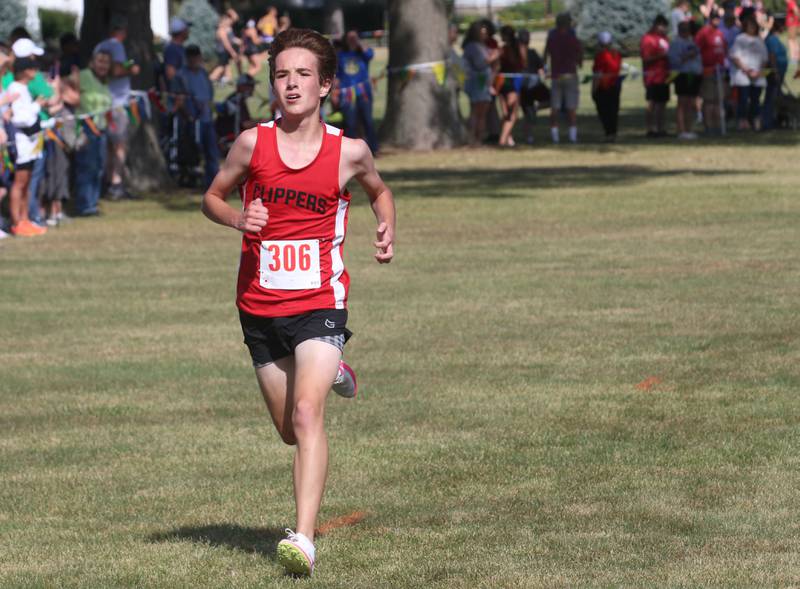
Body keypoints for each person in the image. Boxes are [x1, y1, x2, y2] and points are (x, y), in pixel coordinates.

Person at [201, 27, 395, 577]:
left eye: (303, 74)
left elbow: (380, 190)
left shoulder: (348, 152)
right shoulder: (250, 144)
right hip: (259, 304)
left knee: (309, 416)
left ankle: (303, 538)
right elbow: (211, 197)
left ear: (325, 84)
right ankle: (336, 369)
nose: (291, 84)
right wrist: (239, 217)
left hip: (320, 300)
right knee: (289, 429)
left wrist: (386, 227)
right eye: (282, 74)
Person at [94, 21, 141, 200]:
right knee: (119, 146)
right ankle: (116, 184)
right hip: (117, 102)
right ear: (122, 31)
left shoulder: (100, 46)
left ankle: (108, 182)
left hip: (103, 103)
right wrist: (132, 68)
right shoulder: (116, 46)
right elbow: (116, 69)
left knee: (109, 147)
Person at [6, 56, 46, 236]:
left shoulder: (24, 89)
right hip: (21, 141)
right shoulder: (15, 89)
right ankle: (16, 222)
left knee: (28, 181)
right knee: (19, 182)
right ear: (24, 71)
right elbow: (20, 118)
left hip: (31, 142)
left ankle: (25, 219)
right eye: (32, 69)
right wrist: (37, 107)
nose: (35, 73)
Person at [171, 44, 220, 188]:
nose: (194, 60)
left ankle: (213, 183)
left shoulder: (203, 74)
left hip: (207, 119)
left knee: (212, 152)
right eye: (191, 58)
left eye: (196, 57)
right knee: (193, 152)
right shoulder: (181, 76)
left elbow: (209, 94)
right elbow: (178, 99)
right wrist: (188, 116)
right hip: (190, 121)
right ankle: (191, 180)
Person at [74, 50, 112, 217]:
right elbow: (71, 91)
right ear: (92, 62)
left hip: (101, 130)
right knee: (87, 167)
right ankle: (84, 205)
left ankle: (92, 203)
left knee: (98, 167)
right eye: (100, 61)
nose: (103, 65)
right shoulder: (84, 75)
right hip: (86, 128)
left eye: (106, 62)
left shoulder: (104, 82)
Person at [335, 30, 378, 154]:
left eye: (355, 37)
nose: (352, 39)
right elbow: (337, 75)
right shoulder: (340, 55)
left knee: (368, 120)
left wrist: (359, 44)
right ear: (345, 39)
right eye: (350, 37)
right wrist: (335, 92)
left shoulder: (363, 54)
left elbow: (370, 55)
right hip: (346, 92)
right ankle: (351, 151)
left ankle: (373, 149)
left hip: (363, 91)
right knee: (350, 122)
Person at [544, 12, 583, 144]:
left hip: (556, 75)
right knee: (571, 108)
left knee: (554, 108)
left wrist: (545, 68)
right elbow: (579, 53)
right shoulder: (572, 37)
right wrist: (579, 62)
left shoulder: (552, 37)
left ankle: (555, 136)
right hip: (570, 74)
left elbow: (546, 53)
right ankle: (573, 136)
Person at [730, 10, 768, 130]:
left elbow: (764, 58)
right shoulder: (740, 39)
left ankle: (755, 122)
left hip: (757, 75)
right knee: (743, 99)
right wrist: (746, 70)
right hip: (743, 75)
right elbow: (735, 57)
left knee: (755, 100)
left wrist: (757, 72)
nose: (752, 28)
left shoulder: (759, 41)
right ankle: (743, 122)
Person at [461, 21, 498, 146]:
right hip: (477, 83)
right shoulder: (472, 46)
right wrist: (494, 57)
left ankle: (478, 139)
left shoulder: (481, 46)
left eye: (486, 32)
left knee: (482, 114)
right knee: (477, 113)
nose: (485, 35)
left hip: (484, 83)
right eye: (482, 33)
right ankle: (473, 139)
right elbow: (480, 64)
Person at [669, 21, 703, 139]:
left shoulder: (692, 42)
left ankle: (689, 129)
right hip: (683, 75)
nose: (686, 31)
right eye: (683, 29)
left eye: (687, 29)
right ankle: (681, 130)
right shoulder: (676, 43)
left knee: (691, 103)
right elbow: (674, 61)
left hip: (694, 75)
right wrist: (688, 56)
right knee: (682, 103)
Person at [695, 11, 727, 131]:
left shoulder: (720, 33)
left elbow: (724, 49)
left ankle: (717, 125)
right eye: (714, 18)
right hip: (708, 70)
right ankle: (708, 125)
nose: (716, 21)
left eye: (718, 18)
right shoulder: (703, 33)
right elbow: (696, 49)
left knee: (718, 100)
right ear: (710, 19)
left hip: (720, 70)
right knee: (709, 100)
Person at [641, 15, 671, 137]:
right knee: (652, 103)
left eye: (665, 26)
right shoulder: (648, 39)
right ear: (656, 25)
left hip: (665, 76)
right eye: (662, 25)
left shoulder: (665, 39)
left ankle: (661, 128)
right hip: (653, 76)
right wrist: (661, 56)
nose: (664, 28)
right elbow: (646, 58)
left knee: (662, 103)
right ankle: (650, 129)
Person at [496, 25, 525, 147]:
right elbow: (523, 63)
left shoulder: (505, 49)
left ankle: (507, 138)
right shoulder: (508, 49)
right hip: (510, 80)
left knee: (507, 112)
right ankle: (503, 140)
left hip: (505, 80)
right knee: (511, 114)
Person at [517, 28, 546, 144]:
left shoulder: (528, 53)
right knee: (530, 112)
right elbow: (542, 69)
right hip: (532, 86)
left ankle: (528, 137)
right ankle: (528, 136)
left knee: (528, 113)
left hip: (526, 87)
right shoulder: (531, 53)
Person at [592, 31, 622, 142]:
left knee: (604, 112)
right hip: (615, 86)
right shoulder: (616, 54)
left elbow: (598, 74)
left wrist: (594, 90)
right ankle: (613, 133)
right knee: (613, 111)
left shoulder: (601, 56)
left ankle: (609, 133)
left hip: (603, 87)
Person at [762, 17, 788, 129]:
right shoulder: (772, 39)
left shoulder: (775, 38)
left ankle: (774, 120)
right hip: (773, 72)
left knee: (776, 97)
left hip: (778, 72)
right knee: (771, 97)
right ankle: (767, 122)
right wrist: (775, 71)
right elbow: (771, 56)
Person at [210, 10, 241, 84]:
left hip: (223, 51)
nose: (228, 22)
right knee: (220, 67)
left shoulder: (224, 29)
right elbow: (226, 44)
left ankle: (228, 80)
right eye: (226, 21)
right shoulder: (221, 31)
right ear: (222, 22)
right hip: (222, 52)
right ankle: (209, 81)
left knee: (226, 66)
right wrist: (232, 52)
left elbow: (235, 18)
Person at [163, 17, 191, 85]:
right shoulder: (172, 49)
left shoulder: (180, 48)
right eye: (187, 29)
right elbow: (170, 74)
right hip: (179, 92)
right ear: (182, 31)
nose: (189, 31)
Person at [787, 0, 800, 64]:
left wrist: (795, 18)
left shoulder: (791, 2)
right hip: (794, 24)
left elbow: (796, 10)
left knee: (791, 41)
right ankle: (797, 57)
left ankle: (794, 58)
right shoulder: (792, 2)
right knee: (794, 41)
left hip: (793, 24)